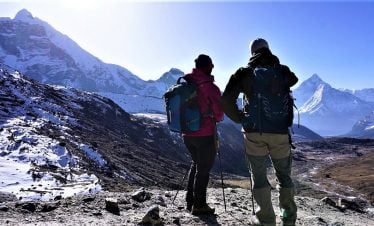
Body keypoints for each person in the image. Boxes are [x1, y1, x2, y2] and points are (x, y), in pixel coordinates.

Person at [221, 38, 298, 226]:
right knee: (284, 176)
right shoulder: (282, 71)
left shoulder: (244, 73)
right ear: (268, 50)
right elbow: (294, 79)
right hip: (280, 133)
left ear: (251, 53)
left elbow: (225, 100)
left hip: (254, 133)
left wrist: (241, 118)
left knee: (259, 176)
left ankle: (266, 220)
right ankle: (288, 219)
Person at [183, 54, 224, 215]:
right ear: (208, 67)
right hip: (205, 134)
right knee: (203, 169)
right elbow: (219, 115)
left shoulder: (187, 83)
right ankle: (199, 205)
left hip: (187, 134)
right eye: (211, 66)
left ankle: (190, 201)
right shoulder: (211, 88)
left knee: (196, 164)